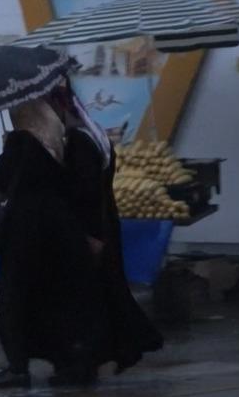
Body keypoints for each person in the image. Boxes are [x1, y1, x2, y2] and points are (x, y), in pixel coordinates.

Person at [0, 98, 111, 388]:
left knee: (15, 297)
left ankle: (17, 366)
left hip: (24, 230)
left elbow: (0, 178)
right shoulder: (61, 143)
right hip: (60, 228)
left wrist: (8, 145)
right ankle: (71, 363)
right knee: (59, 297)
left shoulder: (23, 142)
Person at [49, 82, 164, 377]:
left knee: (86, 300)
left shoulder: (77, 142)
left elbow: (82, 192)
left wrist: (87, 235)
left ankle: (86, 363)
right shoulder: (94, 136)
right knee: (105, 294)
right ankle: (121, 349)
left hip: (90, 228)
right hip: (103, 222)